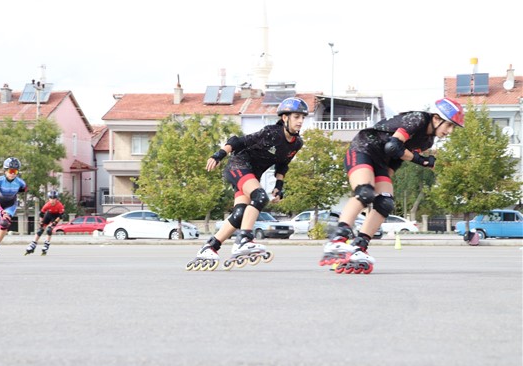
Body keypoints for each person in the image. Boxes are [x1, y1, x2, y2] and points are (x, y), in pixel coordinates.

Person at [320, 97, 465, 273]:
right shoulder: (418, 119)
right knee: (365, 192)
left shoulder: (427, 141)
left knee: (385, 202)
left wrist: (385, 183)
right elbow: (393, 146)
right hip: (363, 148)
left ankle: (359, 247)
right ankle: (337, 240)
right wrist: (423, 161)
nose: (450, 131)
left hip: (383, 161)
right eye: (449, 125)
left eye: (453, 127)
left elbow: (396, 158)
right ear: (436, 118)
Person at [188, 97, 309, 270]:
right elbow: (238, 141)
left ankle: (210, 246)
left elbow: (283, 165)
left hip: (252, 174)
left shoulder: (297, 143)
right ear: (285, 118)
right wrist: (218, 155)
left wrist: (279, 186)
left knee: (240, 214)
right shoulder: (271, 133)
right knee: (259, 196)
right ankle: (244, 238)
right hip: (238, 166)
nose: (300, 121)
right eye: (297, 117)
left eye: (303, 117)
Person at [25, 190, 64, 255]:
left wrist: (54, 222)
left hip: (56, 217)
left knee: (49, 230)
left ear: (56, 199)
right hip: (48, 215)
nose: (52, 200)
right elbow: (41, 214)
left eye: (54, 198)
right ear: (49, 199)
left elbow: (61, 216)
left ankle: (46, 244)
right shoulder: (47, 205)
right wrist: (41, 222)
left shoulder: (60, 205)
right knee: (40, 230)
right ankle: (33, 243)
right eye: (51, 198)